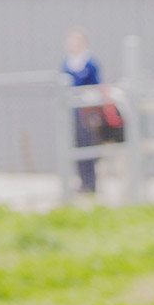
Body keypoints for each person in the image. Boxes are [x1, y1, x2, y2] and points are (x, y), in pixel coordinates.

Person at [63, 27, 105, 195]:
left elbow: (95, 87)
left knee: (89, 146)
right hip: (72, 112)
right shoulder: (67, 62)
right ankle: (81, 182)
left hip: (87, 112)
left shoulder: (90, 63)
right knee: (75, 146)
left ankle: (91, 183)